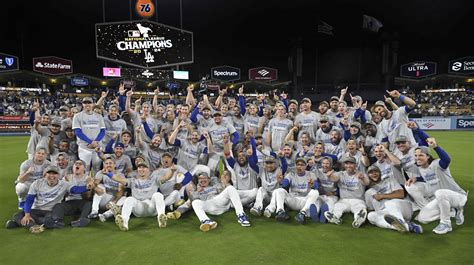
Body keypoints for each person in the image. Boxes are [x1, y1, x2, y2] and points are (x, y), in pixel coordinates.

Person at [407, 138, 467, 234]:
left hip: (458, 196)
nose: (417, 158)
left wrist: (435, 147)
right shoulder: (422, 169)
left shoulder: (438, 164)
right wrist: (416, 179)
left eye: (421, 155)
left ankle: (446, 223)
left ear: (428, 156)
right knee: (422, 218)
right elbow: (427, 177)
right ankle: (452, 211)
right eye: (416, 155)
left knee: (439, 193)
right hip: (441, 198)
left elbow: (447, 160)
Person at [5, 166, 91, 233]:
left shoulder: (64, 184)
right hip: (35, 210)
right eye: (49, 173)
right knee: (17, 215)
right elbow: (29, 200)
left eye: (55, 173)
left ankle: (26, 224)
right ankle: (34, 226)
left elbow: (75, 189)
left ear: (58, 175)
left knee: (50, 219)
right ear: (45, 174)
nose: (52, 176)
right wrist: (27, 214)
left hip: (50, 211)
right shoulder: (37, 183)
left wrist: (87, 187)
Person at [111, 162, 170, 231]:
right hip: (139, 207)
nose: (141, 169)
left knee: (158, 195)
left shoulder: (154, 179)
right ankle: (124, 222)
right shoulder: (133, 180)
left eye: (144, 167)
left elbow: (166, 177)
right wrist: (108, 174)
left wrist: (172, 170)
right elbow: (120, 179)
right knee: (129, 199)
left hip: (151, 206)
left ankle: (161, 218)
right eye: (139, 167)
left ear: (149, 169)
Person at [365, 166, 423, 234]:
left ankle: (401, 222)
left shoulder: (390, 180)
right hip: (387, 214)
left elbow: (401, 194)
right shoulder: (368, 193)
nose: (374, 173)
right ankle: (408, 226)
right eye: (371, 172)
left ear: (380, 173)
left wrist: (382, 196)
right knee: (371, 216)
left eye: (376, 171)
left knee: (390, 203)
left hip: (403, 208)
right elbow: (371, 209)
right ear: (368, 175)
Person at [269, 157, 320, 224]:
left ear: (306, 166)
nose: (299, 166)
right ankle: (280, 212)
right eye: (298, 164)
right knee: (279, 190)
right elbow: (285, 184)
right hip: (293, 200)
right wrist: (281, 181)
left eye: (302, 165)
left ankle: (302, 213)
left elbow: (316, 185)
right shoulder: (291, 174)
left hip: (304, 201)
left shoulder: (311, 174)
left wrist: (313, 185)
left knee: (315, 192)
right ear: (295, 166)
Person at [323, 156, 370, 228]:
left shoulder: (361, 174)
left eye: (351, 163)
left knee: (359, 208)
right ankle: (335, 217)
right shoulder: (341, 173)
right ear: (344, 165)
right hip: (344, 200)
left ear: (355, 165)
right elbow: (334, 179)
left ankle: (358, 219)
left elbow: (367, 183)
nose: (349, 166)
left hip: (357, 199)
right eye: (347, 164)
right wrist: (330, 176)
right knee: (337, 207)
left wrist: (362, 178)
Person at [48, 160, 94, 227]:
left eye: (80, 164)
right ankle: (57, 221)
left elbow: (88, 197)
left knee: (89, 204)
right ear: (73, 167)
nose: (77, 165)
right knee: (58, 206)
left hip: (82, 202)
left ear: (84, 168)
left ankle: (82, 220)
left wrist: (89, 187)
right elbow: (63, 195)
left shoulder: (88, 179)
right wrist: (66, 188)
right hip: (69, 202)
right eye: (76, 164)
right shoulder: (67, 178)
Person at [72, 97, 106, 171]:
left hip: (97, 147)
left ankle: (95, 182)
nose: (87, 104)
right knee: (84, 169)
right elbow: (77, 132)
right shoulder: (77, 116)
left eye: (89, 103)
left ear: (93, 104)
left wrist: (95, 142)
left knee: (96, 168)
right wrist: (90, 142)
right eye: (85, 103)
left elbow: (103, 131)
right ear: (82, 104)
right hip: (84, 147)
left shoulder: (99, 116)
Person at [88, 158, 126, 222]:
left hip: (114, 199)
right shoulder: (101, 173)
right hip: (104, 198)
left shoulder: (120, 175)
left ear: (115, 165)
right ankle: (94, 211)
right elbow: (96, 184)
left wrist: (114, 202)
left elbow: (121, 191)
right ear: (104, 165)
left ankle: (106, 215)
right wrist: (93, 184)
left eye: (110, 163)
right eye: (106, 163)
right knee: (100, 186)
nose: (108, 165)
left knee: (124, 198)